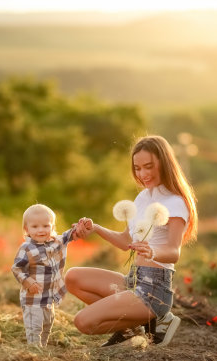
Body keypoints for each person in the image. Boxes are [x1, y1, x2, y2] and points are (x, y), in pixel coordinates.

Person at [66, 135, 198, 347]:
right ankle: (132, 328)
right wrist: (96, 228)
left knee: (83, 322)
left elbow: (174, 252)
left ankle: (154, 318)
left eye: (149, 167)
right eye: (137, 168)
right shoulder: (143, 198)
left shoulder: (175, 203)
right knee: (72, 277)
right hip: (134, 281)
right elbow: (126, 240)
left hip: (154, 290)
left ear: (164, 163)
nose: (143, 174)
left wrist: (152, 251)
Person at [11, 204, 88, 347]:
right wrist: (28, 282)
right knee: (35, 326)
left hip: (50, 296)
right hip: (33, 298)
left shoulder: (55, 243)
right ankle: (34, 349)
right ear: (26, 229)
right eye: (35, 227)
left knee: (47, 324)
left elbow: (67, 236)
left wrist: (79, 227)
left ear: (52, 227)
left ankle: (43, 346)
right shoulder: (26, 248)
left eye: (46, 226)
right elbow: (17, 268)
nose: (41, 230)